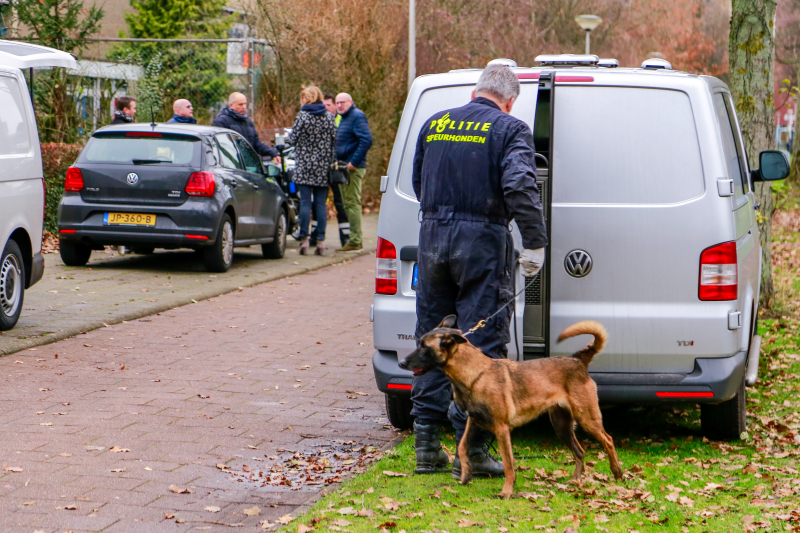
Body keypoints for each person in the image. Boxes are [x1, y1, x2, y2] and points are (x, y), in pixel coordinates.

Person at [410, 65, 548, 478]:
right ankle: (473, 451)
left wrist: (443, 217)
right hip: (482, 242)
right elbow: (520, 186)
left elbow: (420, 180)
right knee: (481, 345)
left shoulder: (435, 124)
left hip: (433, 238)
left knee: (435, 343)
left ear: (476, 92)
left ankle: (426, 448)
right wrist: (535, 241)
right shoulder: (510, 128)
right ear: (509, 100)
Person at [286, 86, 337, 255]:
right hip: (323, 167)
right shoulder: (329, 117)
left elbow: (292, 139)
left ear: (306, 98)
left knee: (306, 203)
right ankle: (321, 242)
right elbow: (334, 140)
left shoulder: (303, 116)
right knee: (321, 204)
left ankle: (305, 240)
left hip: (304, 166)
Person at [308, 93, 349, 248]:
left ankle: (345, 237)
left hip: (337, 167)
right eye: (323, 105)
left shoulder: (340, 120)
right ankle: (315, 236)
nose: (325, 108)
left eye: (328, 105)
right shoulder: (319, 120)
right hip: (322, 168)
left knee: (340, 202)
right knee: (318, 202)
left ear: (334, 106)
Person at [334, 92, 372, 252]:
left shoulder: (356, 116)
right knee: (347, 203)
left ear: (351, 102)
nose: (340, 105)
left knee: (352, 203)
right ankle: (353, 238)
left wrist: (353, 163)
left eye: (343, 102)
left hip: (352, 168)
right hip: (343, 166)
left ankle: (355, 240)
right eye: (337, 103)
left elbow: (366, 140)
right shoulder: (343, 117)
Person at [213, 92, 281, 165]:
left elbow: (256, 144)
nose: (244, 107)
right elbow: (222, 147)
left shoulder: (248, 122)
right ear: (231, 105)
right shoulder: (222, 122)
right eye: (240, 104)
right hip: (232, 166)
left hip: (249, 164)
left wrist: (273, 153)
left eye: (245, 104)